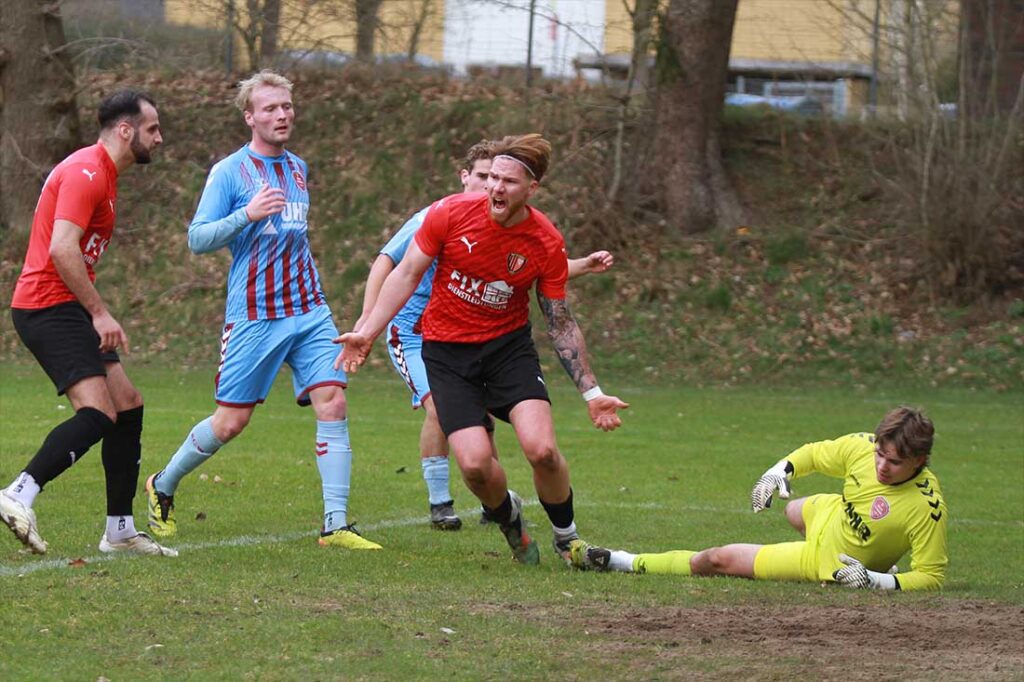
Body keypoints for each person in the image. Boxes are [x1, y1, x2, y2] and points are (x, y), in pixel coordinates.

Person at [337, 133, 628, 565]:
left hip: (507, 352)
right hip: (447, 354)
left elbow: (559, 319)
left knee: (542, 451)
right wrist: (369, 329)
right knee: (474, 465)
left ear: (531, 189)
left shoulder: (544, 240)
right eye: (492, 177)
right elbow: (405, 273)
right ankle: (510, 519)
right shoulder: (448, 213)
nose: (495, 187)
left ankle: (568, 541)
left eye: (508, 181)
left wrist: (592, 392)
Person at [143, 70, 380, 550]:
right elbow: (197, 238)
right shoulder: (229, 172)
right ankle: (162, 484)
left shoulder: (298, 168)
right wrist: (246, 215)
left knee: (333, 400)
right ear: (250, 117)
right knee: (231, 422)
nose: (282, 114)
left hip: (310, 311)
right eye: (270, 108)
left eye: (287, 106)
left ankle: (335, 525)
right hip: (254, 314)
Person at [1, 90, 176, 557]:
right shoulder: (86, 172)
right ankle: (19, 493)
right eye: (152, 129)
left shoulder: (103, 174)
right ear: (126, 130)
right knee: (99, 414)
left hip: (65, 305)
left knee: (128, 404)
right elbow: (62, 249)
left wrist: (93, 310)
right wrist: (99, 313)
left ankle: (119, 531)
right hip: (47, 305)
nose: (160, 138)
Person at [571, 407, 948, 591]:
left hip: (827, 561)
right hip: (828, 515)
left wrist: (875, 581)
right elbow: (815, 454)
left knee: (716, 558)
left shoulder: (926, 508)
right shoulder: (862, 448)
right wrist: (778, 471)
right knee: (793, 509)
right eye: (879, 454)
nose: (881, 465)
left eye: (894, 462)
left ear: (919, 460)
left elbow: (931, 576)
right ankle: (871, 558)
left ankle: (618, 560)